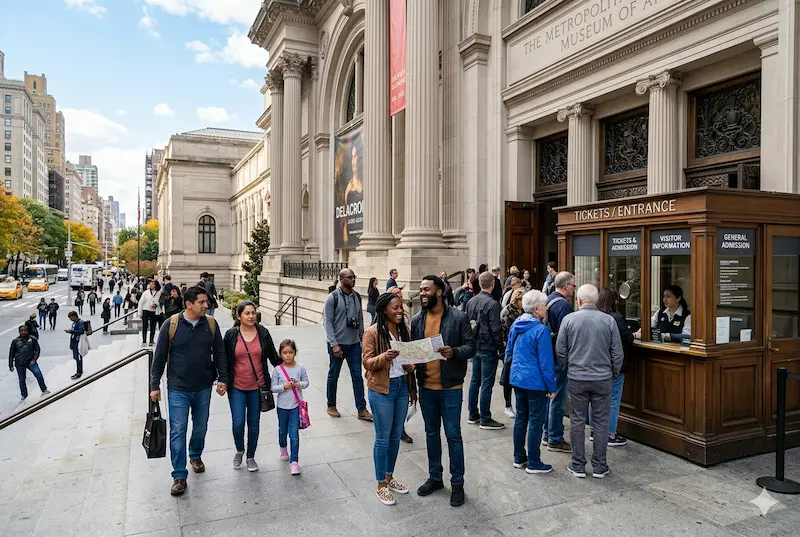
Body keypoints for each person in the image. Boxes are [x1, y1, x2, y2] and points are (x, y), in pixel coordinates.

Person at [149, 286, 228, 497]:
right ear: (189, 304)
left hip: (203, 387)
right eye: (202, 302)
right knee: (178, 430)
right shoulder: (171, 324)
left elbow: (219, 353)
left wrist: (223, 378)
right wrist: (154, 385)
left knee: (200, 427)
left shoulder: (211, 324)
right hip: (177, 388)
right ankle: (179, 475)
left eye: (206, 302)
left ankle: (195, 455)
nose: (206, 305)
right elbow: (159, 357)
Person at [412, 275, 475, 507]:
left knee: (453, 436)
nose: (422, 293)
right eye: (420, 289)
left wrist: (454, 351)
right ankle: (435, 477)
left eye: (426, 289)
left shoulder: (458, 317)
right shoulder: (417, 319)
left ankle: (457, 484)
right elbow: (415, 350)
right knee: (431, 434)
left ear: (438, 292)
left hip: (451, 388)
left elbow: (471, 347)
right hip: (426, 388)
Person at [556, 284, 623, 479]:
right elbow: (617, 353)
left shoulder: (569, 320)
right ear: (595, 301)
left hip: (577, 377)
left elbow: (561, 351)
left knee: (577, 421)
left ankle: (577, 465)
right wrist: (613, 372)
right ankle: (600, 466)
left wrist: (568, 368)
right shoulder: (608, 321)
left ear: (579, 300)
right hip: (602, 378)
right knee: (601, 423)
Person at [362, 292, 417, 505]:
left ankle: (389, 477)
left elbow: (409, 358)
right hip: (381, 390)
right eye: (395, 307)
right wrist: (385, 357)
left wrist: (410, 365)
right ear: (384, 309)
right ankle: (380, 485)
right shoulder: (372, 332)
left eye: (401, 307)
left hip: (402, 386)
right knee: (383, 438)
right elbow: (367, 363)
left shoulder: (404, 331)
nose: (400, 310)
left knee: (395, 436)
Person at [224, 301, 282, 472]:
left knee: (254, 423)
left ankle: (250, 455)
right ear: (238, 316)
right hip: (236, 386)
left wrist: (290, 369)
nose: (251, 316)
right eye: (247, 313)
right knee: (238, 422)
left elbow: (273, 357)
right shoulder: (230, 335)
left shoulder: (263, 333)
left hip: (258, 387)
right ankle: (239, 449)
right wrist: (221, 379)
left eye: (253, 313)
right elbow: (223, 359)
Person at [506, 290, 557, 474]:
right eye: (544, 305)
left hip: (518, 378)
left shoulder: (517, 324)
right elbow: (546, 363)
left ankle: (519, 457)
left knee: (521, 418)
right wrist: (551, 387)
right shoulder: (541, 330)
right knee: (536, 421)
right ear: (536, 309)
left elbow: (509, 352)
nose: (546, 308)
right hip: (534, 381)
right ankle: (534, 461)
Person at [322, 268, 372, 421]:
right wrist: (334, 344)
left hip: (354, 344)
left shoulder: (357, 296)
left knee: (357, 377)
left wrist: (363, 339)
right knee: (333, 376)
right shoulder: (332, 298)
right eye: (349, 277)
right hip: (337, 344)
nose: (353, 280)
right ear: (341, 279)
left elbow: (360, 319)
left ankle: (361, 409)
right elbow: (327, 322)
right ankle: (331, 405)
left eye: (353, 277)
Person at [590, 289, 635, 447]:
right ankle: (610, 433)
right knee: (613, 399)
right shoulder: (616, 317)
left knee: (595, 399)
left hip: (596, 364)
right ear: (615, 301)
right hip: (614, 365)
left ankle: (594, 431)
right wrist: (635, 335)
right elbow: (627, 339)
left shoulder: (594, 316)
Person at [465, 271, 505, 430]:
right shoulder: (492, 304)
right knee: (486, 383)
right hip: (487, 347)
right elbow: (496, 330)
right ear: (493, 284)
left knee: (475, 380)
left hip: (476, 346)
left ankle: (473, 414)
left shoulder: (472, 301)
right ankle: (485, 418)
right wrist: (501, 350)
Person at [543, 271, 576, 452]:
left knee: (550, 397)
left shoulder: (548, 300)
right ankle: (555, 438)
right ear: (566, 286)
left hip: (549, 356)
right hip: (558, 358)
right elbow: (566, 337)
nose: (574, 289)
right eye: (573, 286)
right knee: (557, 400)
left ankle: (548, 433)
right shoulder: (563, 306)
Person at [271, 339, 309, 476]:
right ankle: (282, 447)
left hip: (295, 407)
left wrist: (299, 384)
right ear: (280, 354)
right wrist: (284, 386)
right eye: (285, 353)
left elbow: (306, 383)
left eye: (290, 352)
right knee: (282, 431)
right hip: (282, 407)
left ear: (295, 353)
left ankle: (294, 462)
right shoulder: (277, 370)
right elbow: (273, 388)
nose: (288, 355)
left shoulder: (300, 368)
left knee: (294, 434)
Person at [500, 287, 525, 418]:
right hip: (509, 348)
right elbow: (504, 331)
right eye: (522, 300)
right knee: (508, 377)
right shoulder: (507, 311)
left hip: (521, 349)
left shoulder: (525, 310)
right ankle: (508, 405)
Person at [8, 325, 48, 401]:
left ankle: (44, 389)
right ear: (19, 332)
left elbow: (37, 350)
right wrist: (10, 365)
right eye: (21, 331)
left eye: (24, 330)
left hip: (31, 361)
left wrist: (34, 360)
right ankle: (24, 395)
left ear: (27, 331)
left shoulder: (32, 339)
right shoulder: (15, 341)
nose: (23, 332)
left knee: (38, 374)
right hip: (20, 363)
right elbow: (11, 353)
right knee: (22, 379)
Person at [138, 280, 163, 347]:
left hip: (154, 311)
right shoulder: (146, 292)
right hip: (146, 310)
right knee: (145, 326)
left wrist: (156, 304)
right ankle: (144, 341)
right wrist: (139, 313)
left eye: (152, 284)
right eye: (150, 284)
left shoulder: (159, 293)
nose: (151, 285)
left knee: (153, 326)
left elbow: (160, 301)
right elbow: (141, 302)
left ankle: (151, 340)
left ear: (156, 285)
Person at [65, 311, 85, 380]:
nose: (70, 319)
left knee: (78, 358)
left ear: (74, 316)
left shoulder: (80, 323)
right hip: (74, 342)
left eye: (71, 318)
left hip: (78, 342)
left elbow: (81, 331)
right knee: (76, 358)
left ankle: (79, 372)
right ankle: (78, 371)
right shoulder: (74, 323)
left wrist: (71, 331)